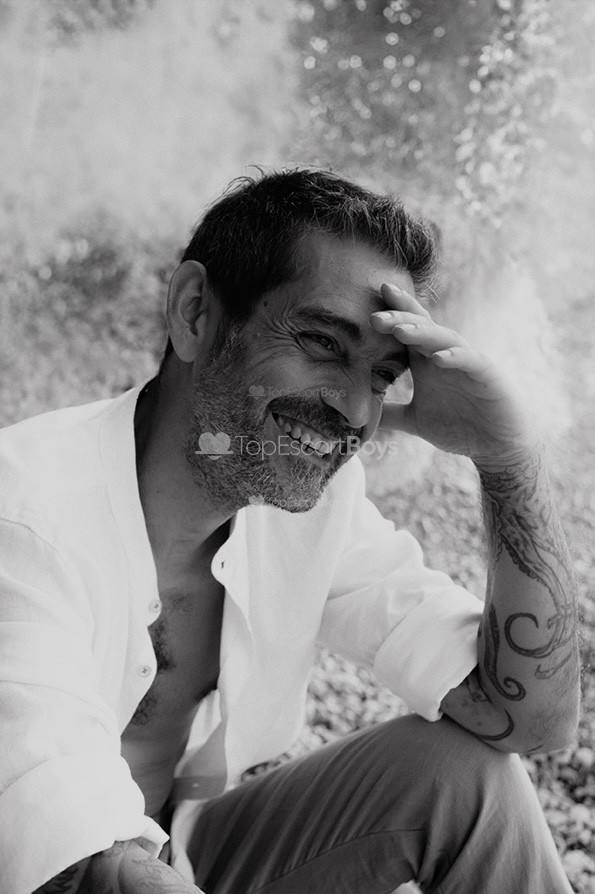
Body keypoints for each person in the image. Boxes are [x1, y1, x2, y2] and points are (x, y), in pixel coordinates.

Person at [0, 169, 580, 894]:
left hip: (180, 851)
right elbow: (81, 862)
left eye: (382, 376)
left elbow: (528, 720)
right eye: (322, 343)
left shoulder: (308, 512)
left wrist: (508, 460)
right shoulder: (26, 519)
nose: (355, 411)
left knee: (466, 776)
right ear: (194, 312)